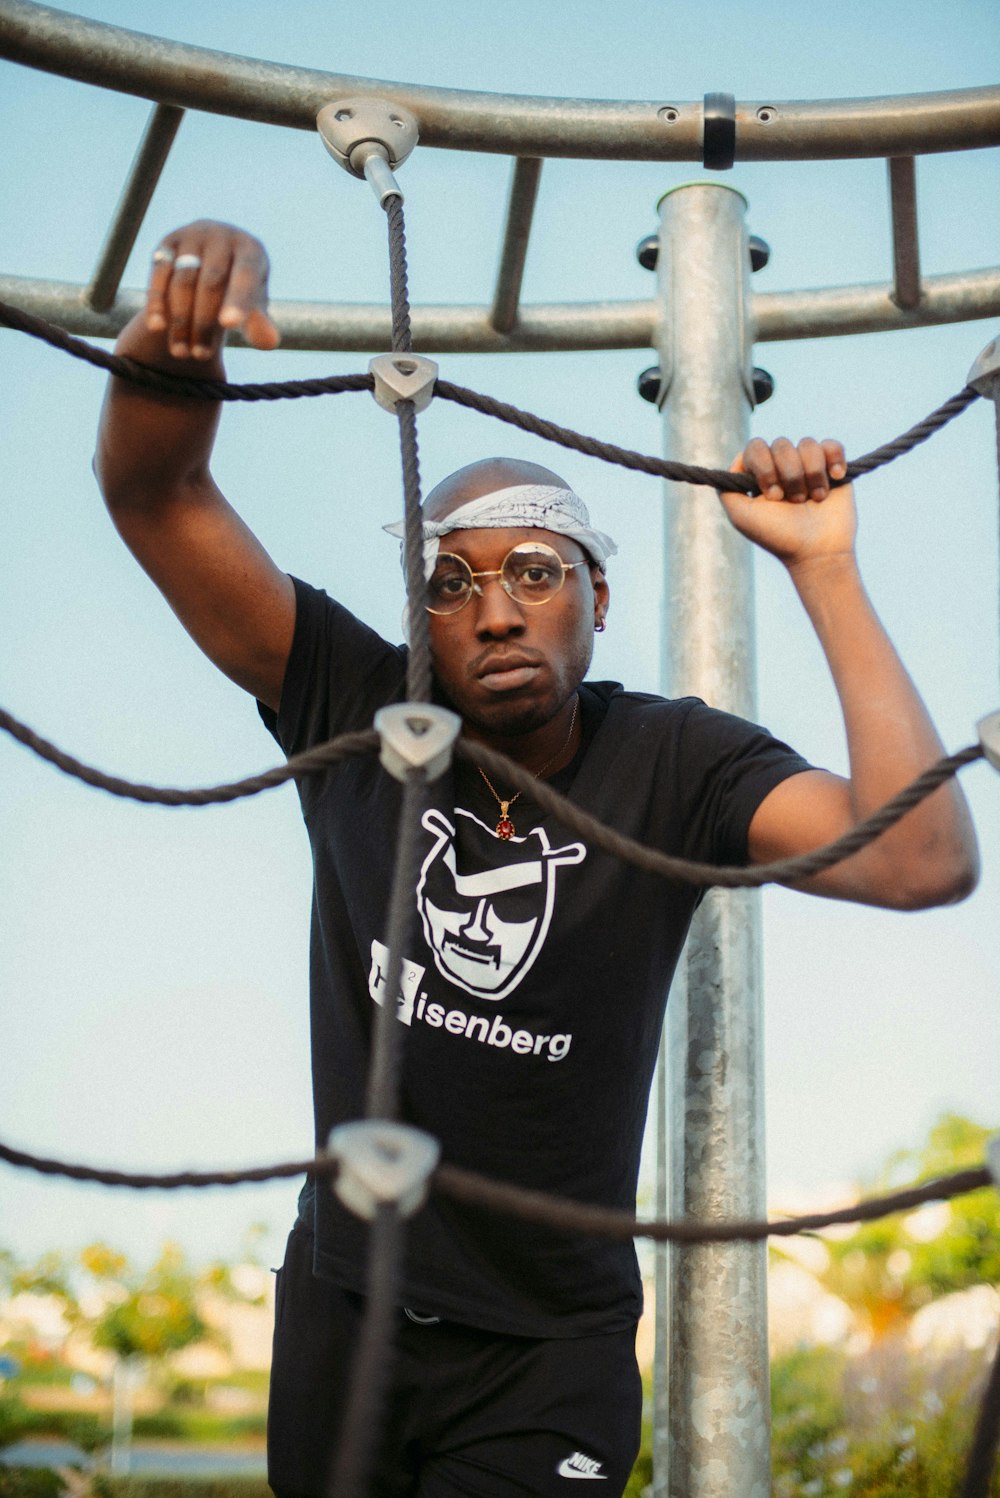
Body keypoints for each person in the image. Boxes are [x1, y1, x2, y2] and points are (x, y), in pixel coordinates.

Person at [94, 219, 978, 1498]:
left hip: (547, 1349)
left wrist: (826, 568)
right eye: (449, 583)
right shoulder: (356, 706)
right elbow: (156, 495)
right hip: (348, 1300)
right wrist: (173, 335)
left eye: (533, 570)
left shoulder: (675, 763)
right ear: (421, 625)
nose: (494, 607)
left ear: (596, 598)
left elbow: (917, 860)